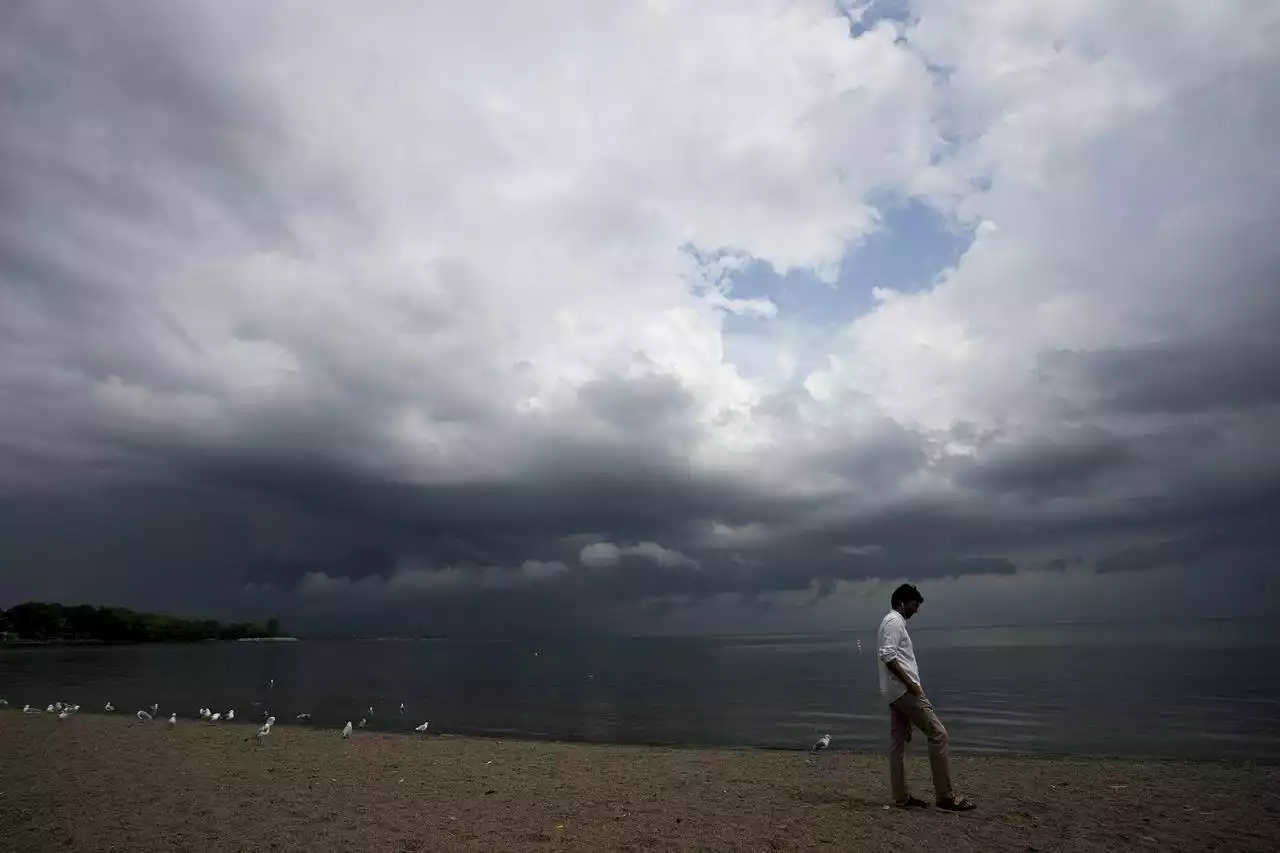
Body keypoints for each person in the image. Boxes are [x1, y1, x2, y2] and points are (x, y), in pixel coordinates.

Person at [876, 583, 976, 811]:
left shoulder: (891, 622)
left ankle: (901, 798)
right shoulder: (893, 622)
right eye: (914, 605)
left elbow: (891, 655)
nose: (916, 610)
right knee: (938, 734)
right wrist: (911, 684)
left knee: (898, 744)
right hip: (904, 691)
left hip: (894, 692)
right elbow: (888, 655)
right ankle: (945, 797)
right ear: (902, 602)